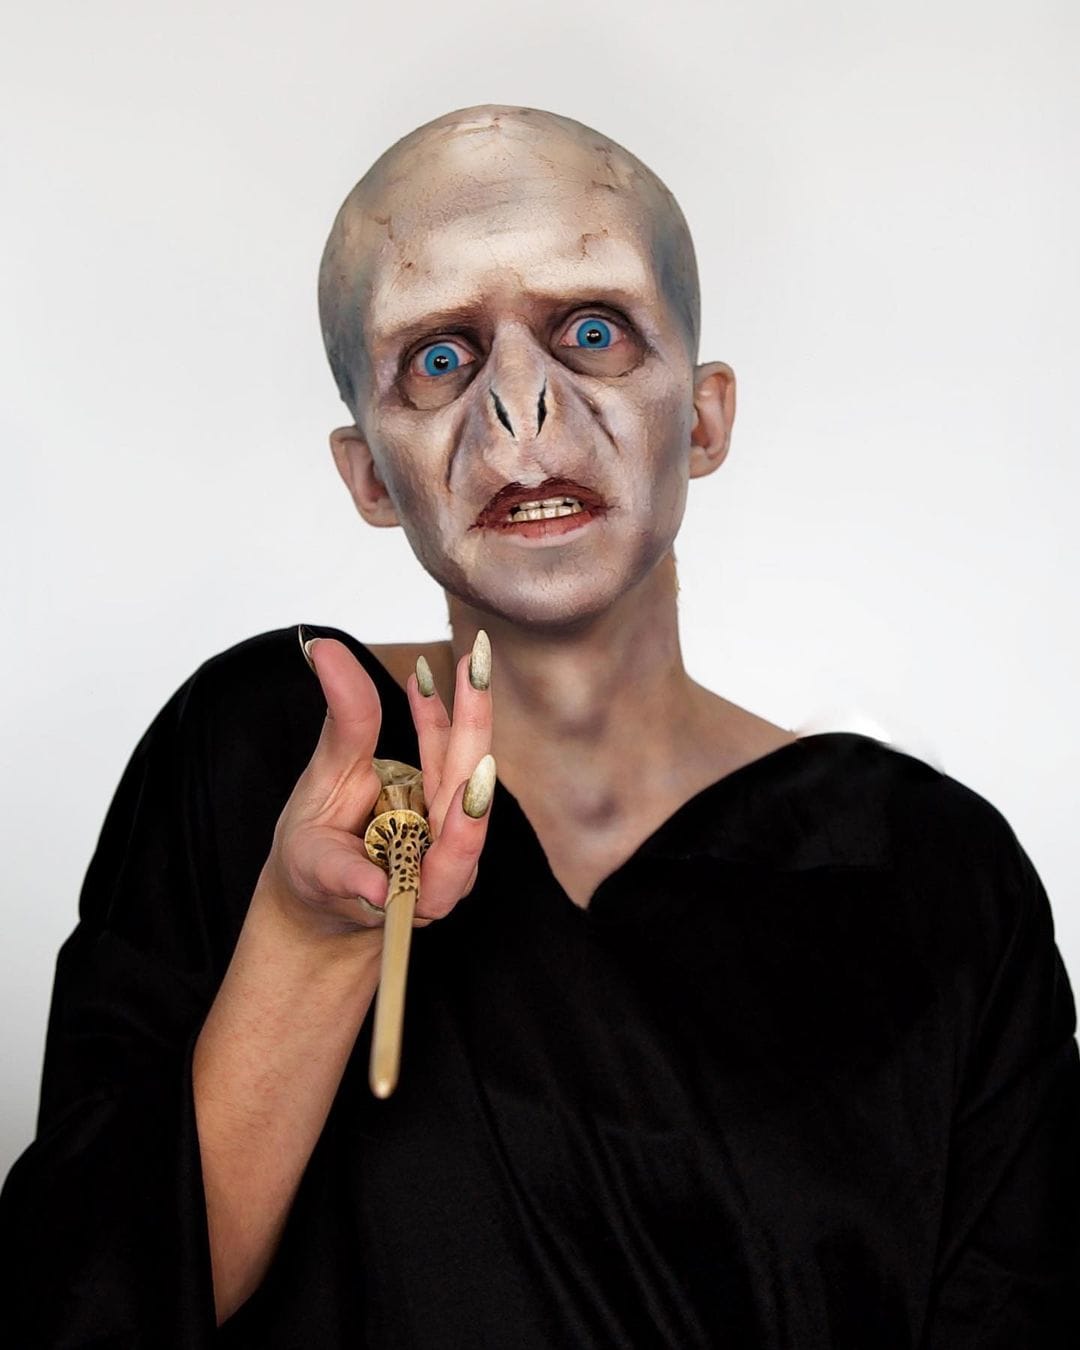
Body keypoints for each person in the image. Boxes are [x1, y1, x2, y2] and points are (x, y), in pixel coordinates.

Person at [2, 103, 1078, 1348]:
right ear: (369, 474)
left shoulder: (933, 871)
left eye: (593, 332)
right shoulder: (265, 753)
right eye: (439, 359)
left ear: (706, 418)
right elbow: (79, 1312)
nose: (521, 407)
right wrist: (308, 939)